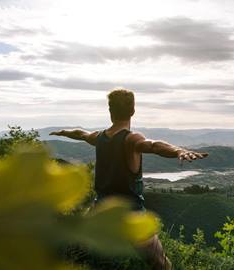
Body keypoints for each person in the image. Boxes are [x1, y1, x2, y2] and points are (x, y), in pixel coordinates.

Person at [50, 88, 208, 270]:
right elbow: (154, 145)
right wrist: (179, 151)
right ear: (133, 110)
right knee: (160, 264)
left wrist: (63, 132)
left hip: (101, 209)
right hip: (131, 214)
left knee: (82, 253)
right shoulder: (131, 139)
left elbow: (80, 134)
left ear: (110, 111)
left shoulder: (99, 137)